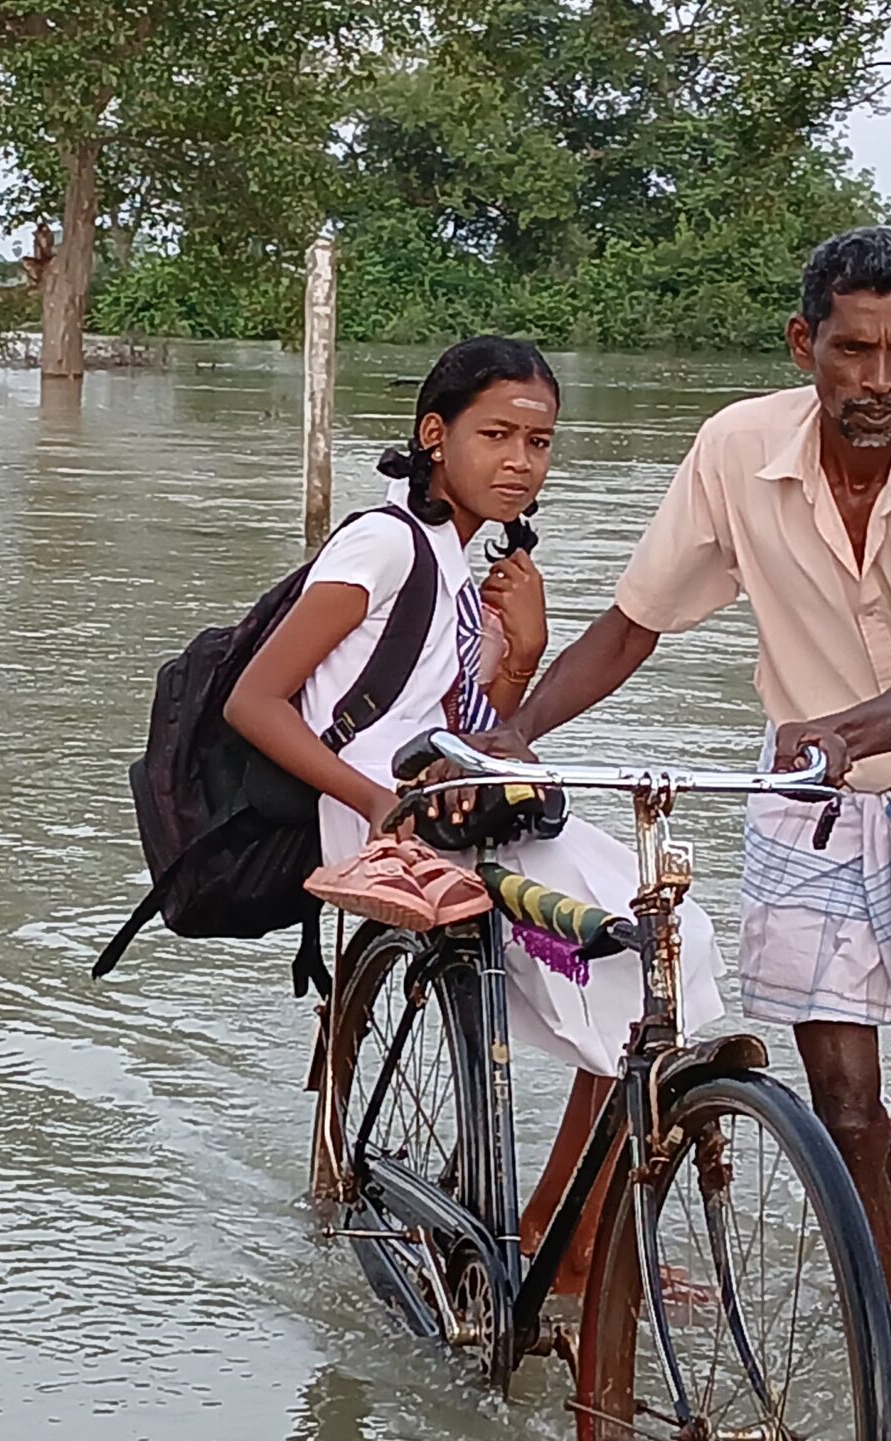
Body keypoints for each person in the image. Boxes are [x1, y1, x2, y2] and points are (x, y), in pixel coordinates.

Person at [475, 228, 891, 1306]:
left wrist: (853, 730)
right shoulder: (735, 449)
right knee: (838, 1111)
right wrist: (518, 732)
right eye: (852, 350)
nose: (878, 380)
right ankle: (888, 1346)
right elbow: (634, 623)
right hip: (804, 801)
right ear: (802, 342)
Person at [223, 336, 722, 1293]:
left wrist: (522, 654)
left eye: (539, 444)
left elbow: (473, 736)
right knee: (659, 958)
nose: (520, 462)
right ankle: (566, 1242)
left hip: (457, 812)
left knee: (671, 942)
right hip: (386, 826)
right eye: (496, 435)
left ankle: (567, 1231)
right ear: (434, 434)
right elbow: (256, 699)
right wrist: (375, 799)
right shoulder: (382, 543)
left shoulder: (459, 568)